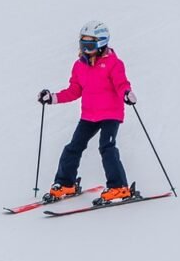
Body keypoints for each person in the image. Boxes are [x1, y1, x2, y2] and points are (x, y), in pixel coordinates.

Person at [38, 20, 139, 205]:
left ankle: (119, 187)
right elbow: (74, 90)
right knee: (73, 147)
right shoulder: (79, 66)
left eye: (90, 44)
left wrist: (127, 94)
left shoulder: (114, 64)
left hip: (110, 114)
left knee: (106, 147)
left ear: (101, 44)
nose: (86, 49)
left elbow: (121, 83)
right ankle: (65, 183)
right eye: (83, 44)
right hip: (89, 115)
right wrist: (52, 98)